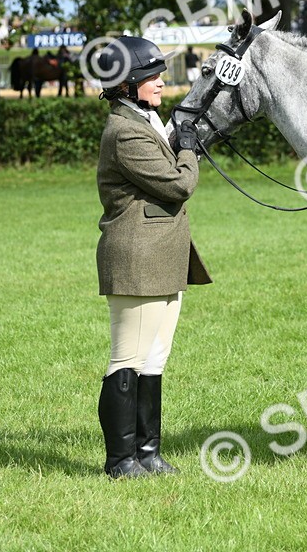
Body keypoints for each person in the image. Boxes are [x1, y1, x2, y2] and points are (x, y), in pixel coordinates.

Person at [94, 36, 211, 478]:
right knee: (126, 360)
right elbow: (179, 185)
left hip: (162, 256)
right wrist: (188, 148)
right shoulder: (125, 132)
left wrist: (179, 140)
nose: (161, 82)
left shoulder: (146, 120)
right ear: (126, 85)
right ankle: (120, 461)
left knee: (153, 360)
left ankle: (147, 453)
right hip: (137, 258)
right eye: (151, 76)